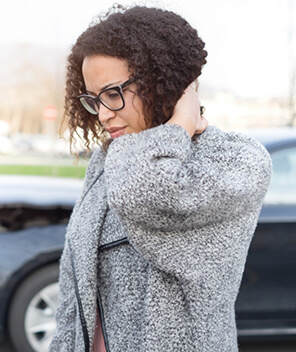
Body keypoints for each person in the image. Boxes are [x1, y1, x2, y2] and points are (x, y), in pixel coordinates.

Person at [49, 5, 272, 352]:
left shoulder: (237, 160)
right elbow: (74, 290)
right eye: (94, 100)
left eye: (112, 93)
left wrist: (178, 125)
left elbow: (147, 195)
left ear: (163, 82)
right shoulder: (108, 160)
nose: (104, 114)